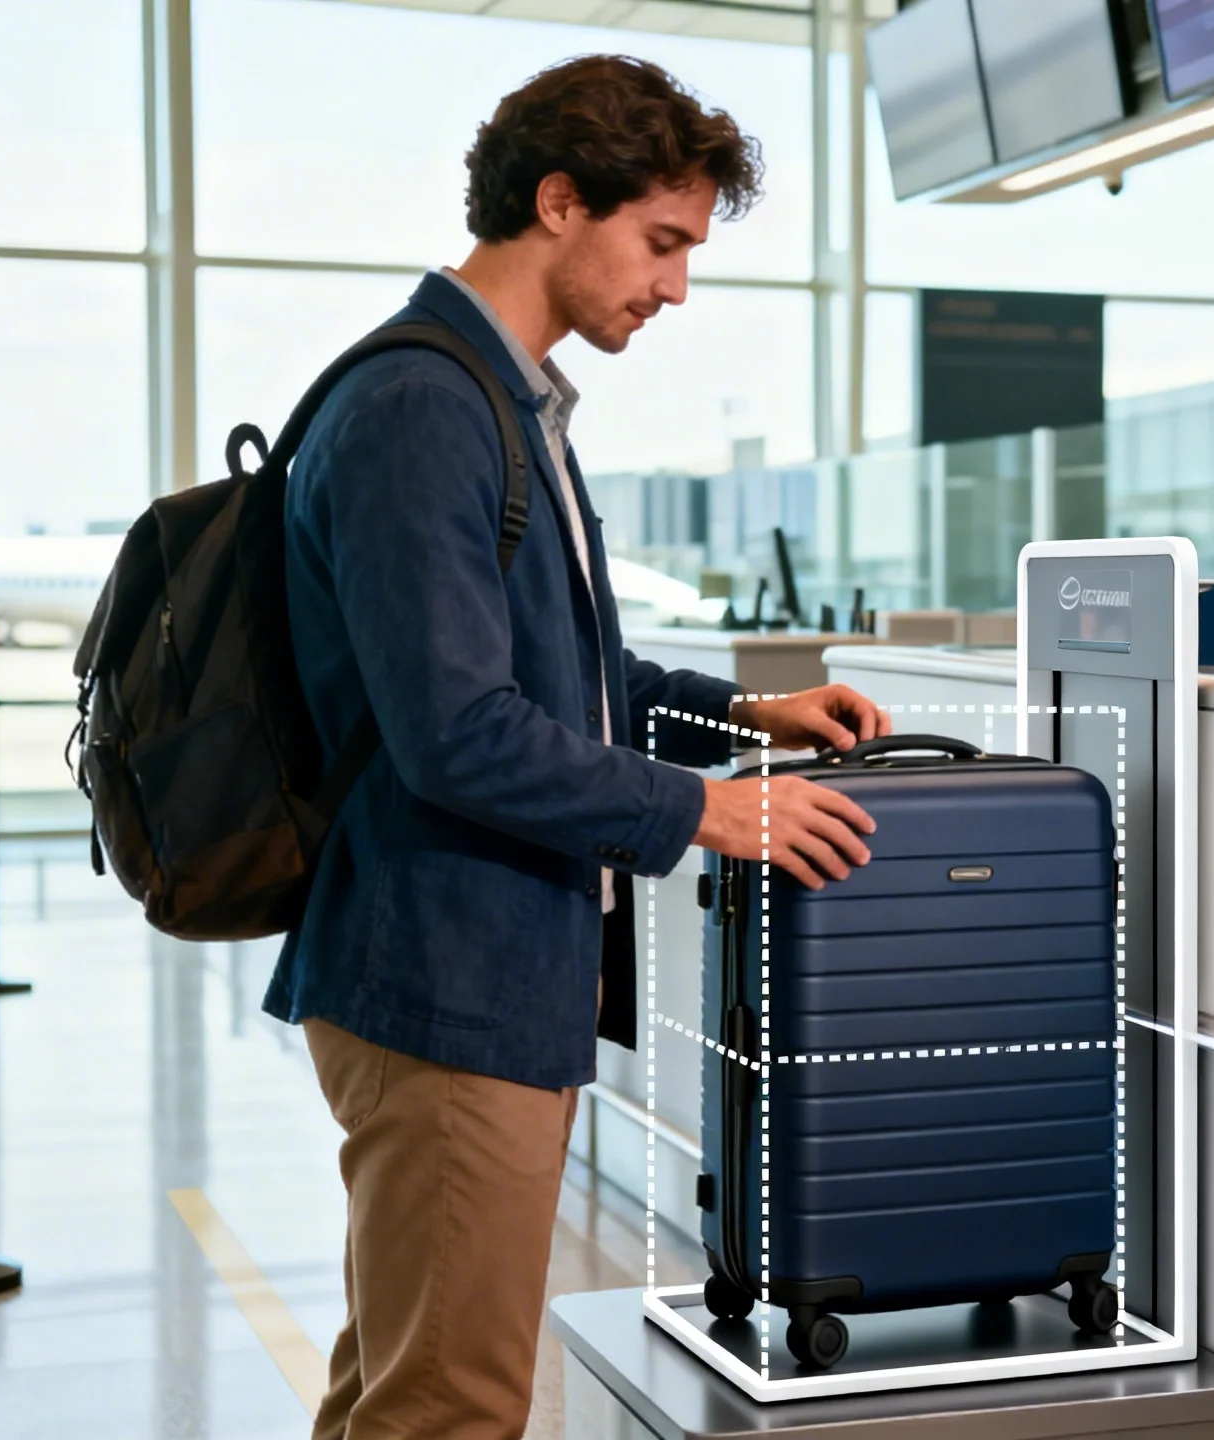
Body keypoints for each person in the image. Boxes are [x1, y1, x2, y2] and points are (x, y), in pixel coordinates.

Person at [263, 55, 889, 1440]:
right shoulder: (427, 408)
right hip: (445, 973)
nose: (675, 288)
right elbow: (459, 735)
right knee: (454, 1406)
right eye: (661, 242)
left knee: (400, 1389)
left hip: (481, 968)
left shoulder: (507, 398)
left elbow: (563, 675)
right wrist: (712, 812)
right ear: (559, 202)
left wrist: (745, 711)